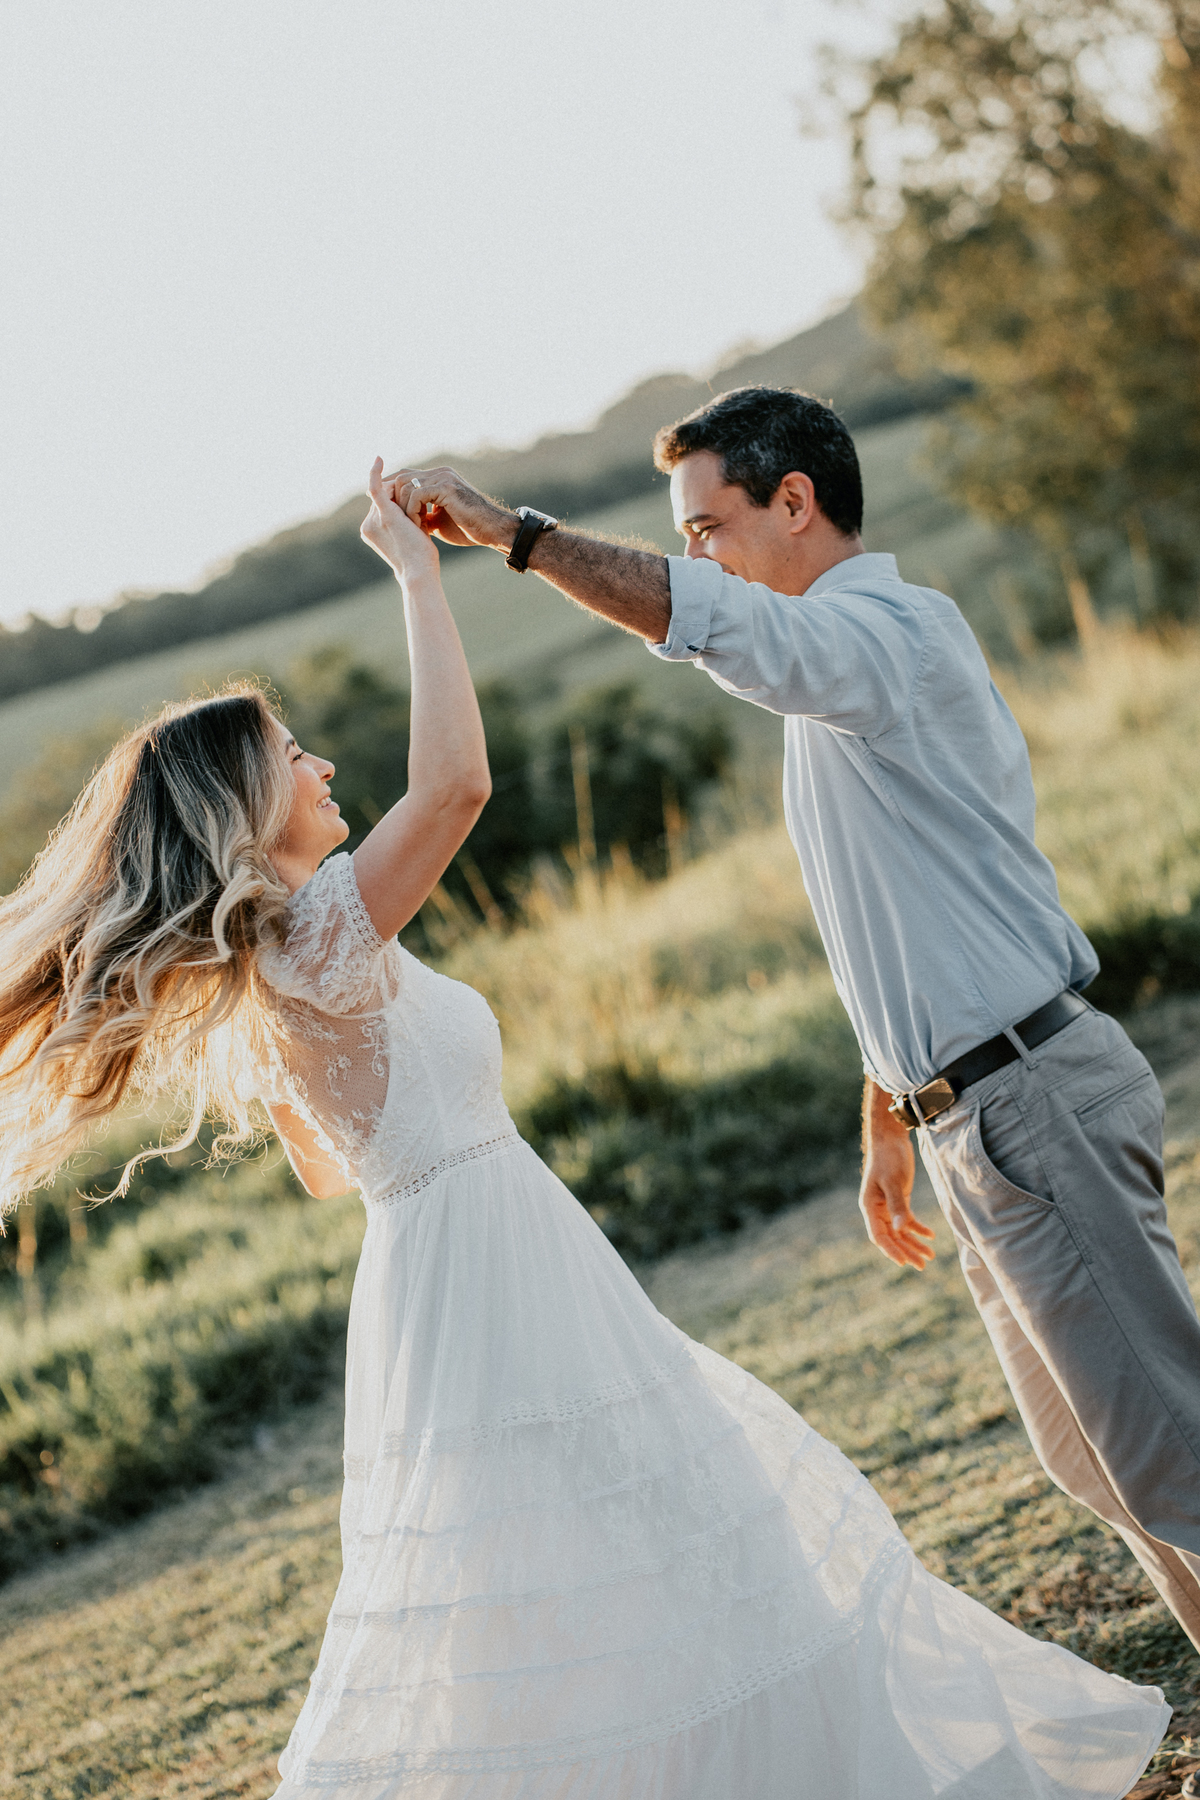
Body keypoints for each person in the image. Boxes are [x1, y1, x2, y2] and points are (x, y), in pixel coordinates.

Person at [0, 459, 1170, 1798]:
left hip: (453, 1262)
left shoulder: (289, 960)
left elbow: (333, 1167)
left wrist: (407, 1138)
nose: (320, 764)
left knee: (598, 1561)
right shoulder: (317, 934)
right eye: (291, 757)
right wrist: (418, 578)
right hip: (489, 1267)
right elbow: (456, 787)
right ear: (240, 814)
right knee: (649, 1534)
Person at [392, 386, 1200, 1663]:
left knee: (1171, 1458)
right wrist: (891, 1113)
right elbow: (912, 914)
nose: (698, 554)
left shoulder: (883, 636)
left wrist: (515, 533)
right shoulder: (842, 685)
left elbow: (709, 623)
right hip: (974, 1114)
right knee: (1101, 1463)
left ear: (796, 501)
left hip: (1030, 1102)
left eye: (706, 526)